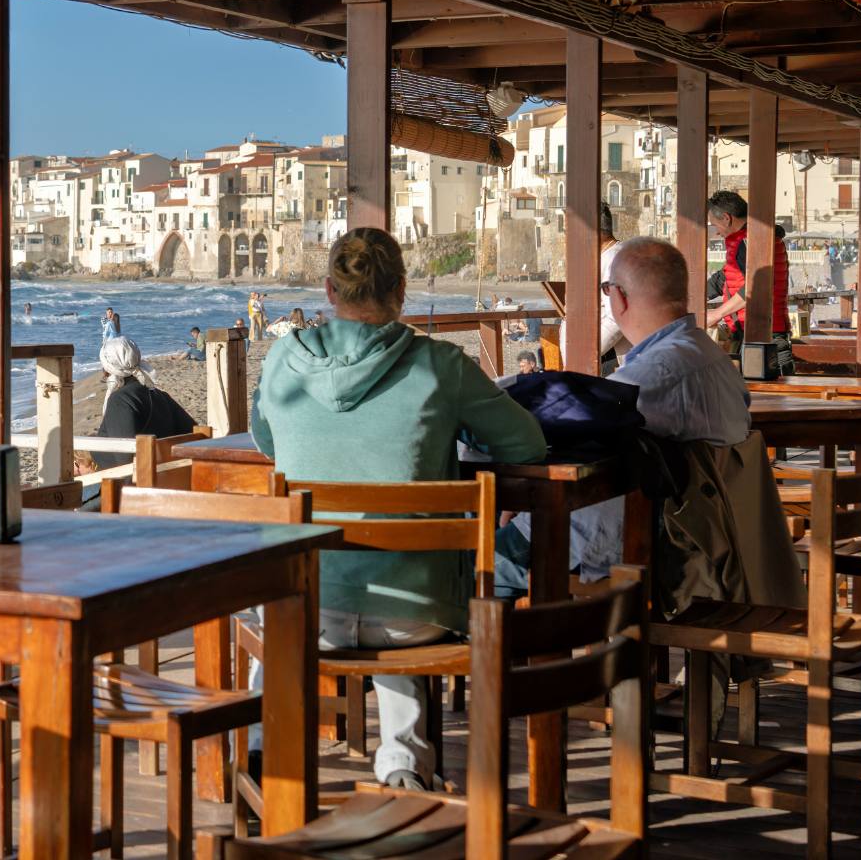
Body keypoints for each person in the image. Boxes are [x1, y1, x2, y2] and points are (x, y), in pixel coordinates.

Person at [253, 228, 546, 791]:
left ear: (329, 289)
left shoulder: (283, 358)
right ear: (401, 291)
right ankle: (404, 764)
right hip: (419, 612)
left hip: (307, 609)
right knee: (399, 599)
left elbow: (267, 442)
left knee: (303, 601)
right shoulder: (440, 364)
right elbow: (526, 443)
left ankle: (271, 745)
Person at [496, 239, 750, 595]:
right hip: (706, 535)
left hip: (643, 544)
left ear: (618, 298)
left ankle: (526, 644)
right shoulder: (711, 358)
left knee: (479, 565)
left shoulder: (656, 373)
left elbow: (577, 421)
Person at [705, 190, 793, 374]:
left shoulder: (750, 242)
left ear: (727, 219)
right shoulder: (748, 239)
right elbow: (724, 278)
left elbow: (757, 288)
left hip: (762, 334)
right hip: (754, 330)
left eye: (714, 225)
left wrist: (717, 313)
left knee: (768, 398)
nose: (716, 232)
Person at [91, 338, 196, 470]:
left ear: (108, 368)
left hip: (134, 486)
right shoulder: (158, 395)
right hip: (166, 479)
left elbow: (126, 463)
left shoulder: (120, 401)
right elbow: (196, 434)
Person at [559, 202, 631, 373]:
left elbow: (616, 317)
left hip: (605, 359)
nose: (568, 236)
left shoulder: (614, 259)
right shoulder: (607, 256)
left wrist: (584, 353)